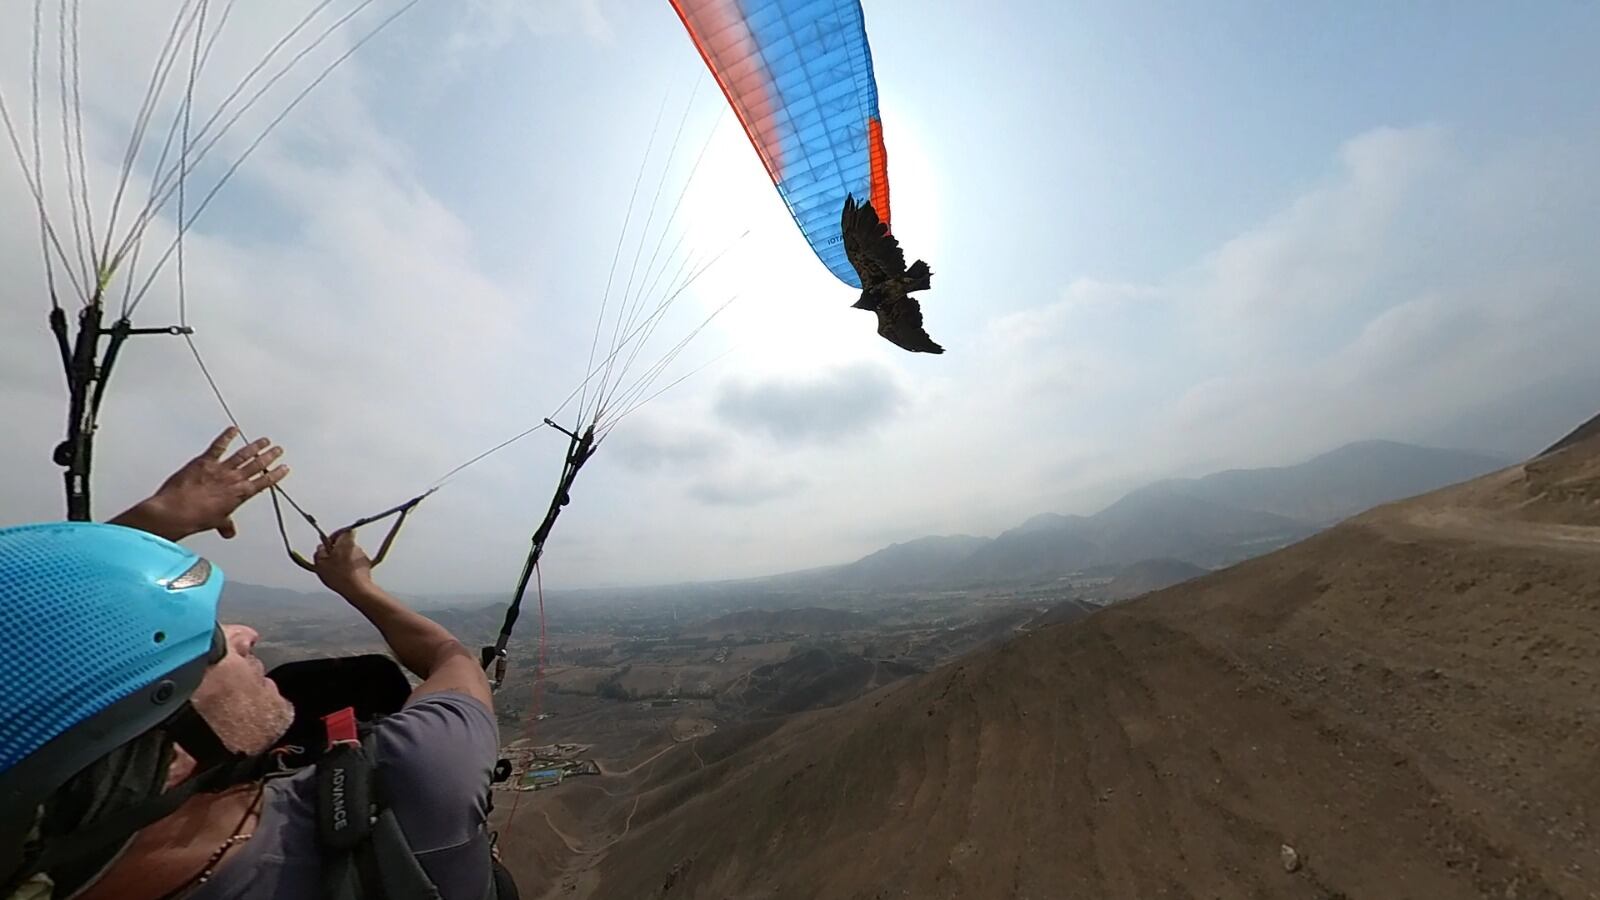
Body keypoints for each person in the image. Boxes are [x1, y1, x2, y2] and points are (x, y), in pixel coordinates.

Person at [1, 429, 502, 900]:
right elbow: (450, 658)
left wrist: (152, 523)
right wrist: (356, 585)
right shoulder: (419, 781)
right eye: (211, 645)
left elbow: (33, 662)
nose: (245, 634)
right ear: (167, 755)